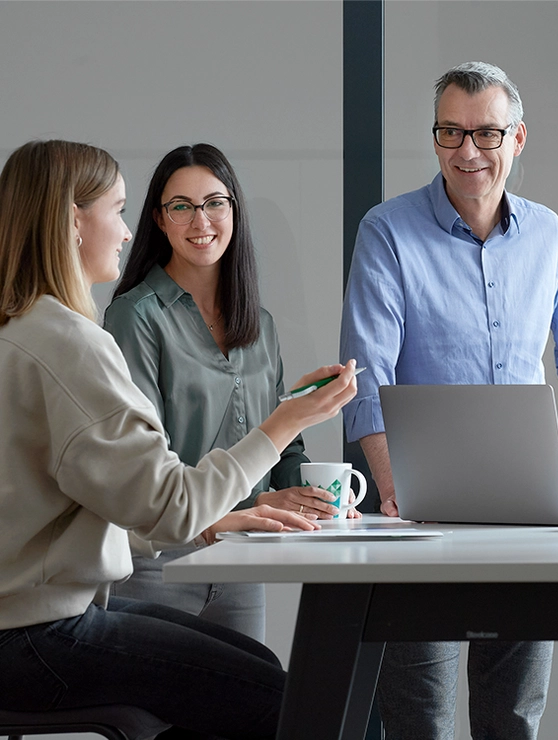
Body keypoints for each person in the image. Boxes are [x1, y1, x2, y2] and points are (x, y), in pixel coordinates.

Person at [0, 139, 357, 738]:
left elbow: (108, 497)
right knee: (284, 698)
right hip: (39, 635)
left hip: (30, 624)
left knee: (255, 667)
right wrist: (286, 421)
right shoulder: (70, 342)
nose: (123, 230)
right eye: (116, 210)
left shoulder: (21, 329)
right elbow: (171, 506)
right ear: (71, 221)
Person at [340, 61, 558, 740]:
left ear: (517, 140)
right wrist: (394, 491)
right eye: (450, 132)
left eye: (485, 134)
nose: (467, 152)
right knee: (419, 716)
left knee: (513, 714)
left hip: (530, 510)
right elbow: (368, 370)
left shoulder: (550, 235)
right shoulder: (387, 231)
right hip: (419, 507)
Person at [104, 143, 350, 642]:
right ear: (160, 219)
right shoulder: (136, 316)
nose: (202, 221)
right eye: (182, 207)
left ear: (234, 210)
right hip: (161, 563)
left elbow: (281, 444)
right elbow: (145, 467)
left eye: (215, 203)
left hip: (242, 563)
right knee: (164, 719)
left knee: (244, 715)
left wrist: (313, 499)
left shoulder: (260, 326)